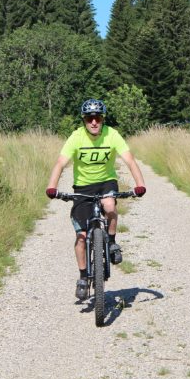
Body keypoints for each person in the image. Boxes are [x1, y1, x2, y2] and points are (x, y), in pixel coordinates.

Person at [46, 98, 146, 300]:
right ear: (84, 120)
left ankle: (111, 242)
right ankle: (83, 277)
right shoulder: (76, 137)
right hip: (83, 186)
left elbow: (129, 160)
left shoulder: (112, 134)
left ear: (103, 119)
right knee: (81, 236)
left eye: (98, 118)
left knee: (109, 205)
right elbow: (60, 163)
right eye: (89, 118)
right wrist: (52, 187)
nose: (94, 122)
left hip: (106, 182)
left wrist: (140, 184)